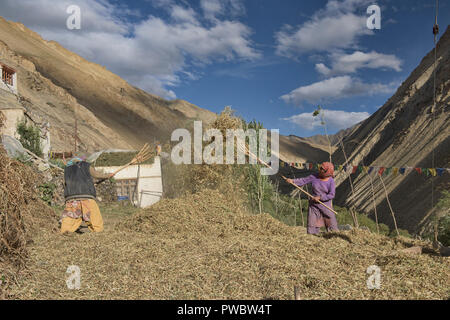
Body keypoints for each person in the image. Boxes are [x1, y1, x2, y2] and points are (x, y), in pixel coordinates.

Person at [60, 155, 114, 234]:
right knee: (94, 217)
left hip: (71, 199)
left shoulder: (67, 170)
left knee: (70, 217)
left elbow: (65, 184)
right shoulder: (85, 166)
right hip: (86, 198)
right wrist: (108, 175)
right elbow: (97, 175)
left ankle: (65, 231)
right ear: (81, 161)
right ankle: (98, 232)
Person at [286, 162, 338, 235]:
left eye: (322, 169)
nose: (320, 170)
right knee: (312, 224)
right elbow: (303, 181)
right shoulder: (314, 176)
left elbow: (331, 195)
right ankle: (312, 238)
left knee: (331, 224)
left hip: (326, 205)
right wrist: (293, 181)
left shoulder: (331, 181)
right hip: (314, 205)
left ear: (327, 172)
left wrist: (320, 197)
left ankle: (333, 237)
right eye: (320, 168)